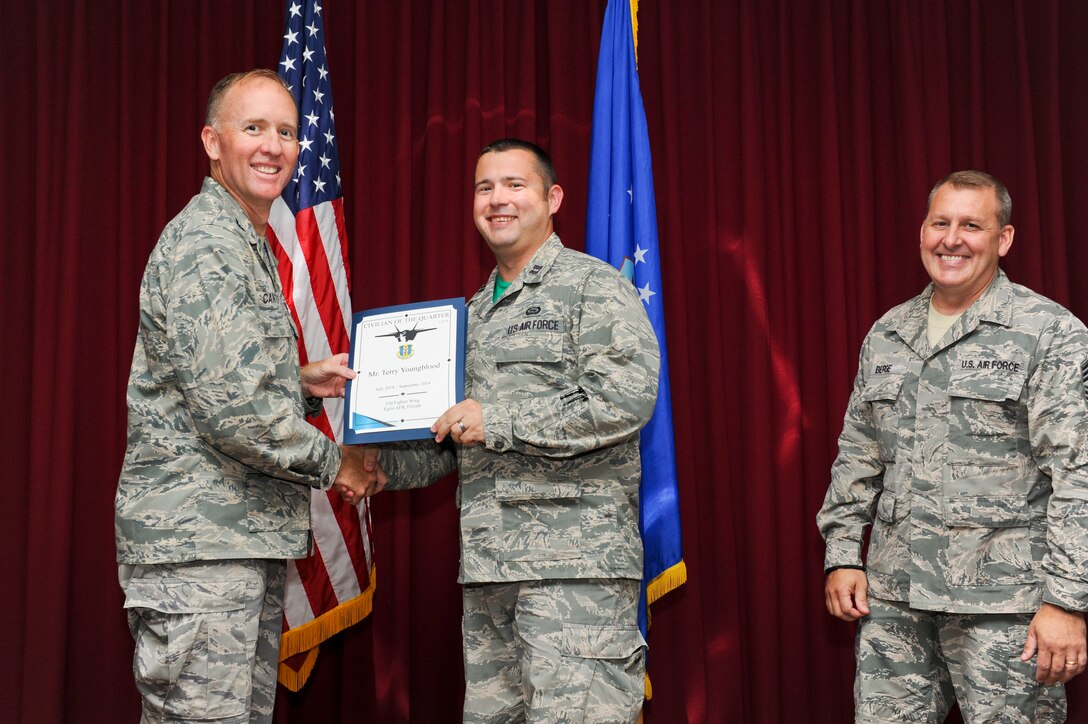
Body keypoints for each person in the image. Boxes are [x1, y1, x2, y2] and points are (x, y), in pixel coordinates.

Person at [115, 69, 384, 724]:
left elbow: (208, 383)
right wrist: (340, 464)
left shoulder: (242, 241)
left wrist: (298, 381)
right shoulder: (209, 244)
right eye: (254, 128)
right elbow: (236, 412)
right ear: (213, 141)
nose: (273, 146)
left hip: (234, 545)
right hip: (202, 555)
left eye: (286, 132)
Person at [375, 138, 660, 722]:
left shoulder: (593, 287)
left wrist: (496, 420)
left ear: (552, 198)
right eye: (485, 188)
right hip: (489, 575)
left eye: (514, 185)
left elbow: (626, 399)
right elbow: (453, 439)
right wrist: (380, 468)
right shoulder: (471, 314)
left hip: (573, 573)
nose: (497, 199)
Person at [817, 170, 1088, 722]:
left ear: (1002, 239)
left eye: (971, 225)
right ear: (922, 232)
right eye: (941, 223)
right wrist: (843, 553)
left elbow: (1078, 473)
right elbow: (858, 453)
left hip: (1006, 609)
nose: (952, 239)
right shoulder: (889, 332)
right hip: (895, 601)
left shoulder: (1048, 332)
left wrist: (1066, 601)